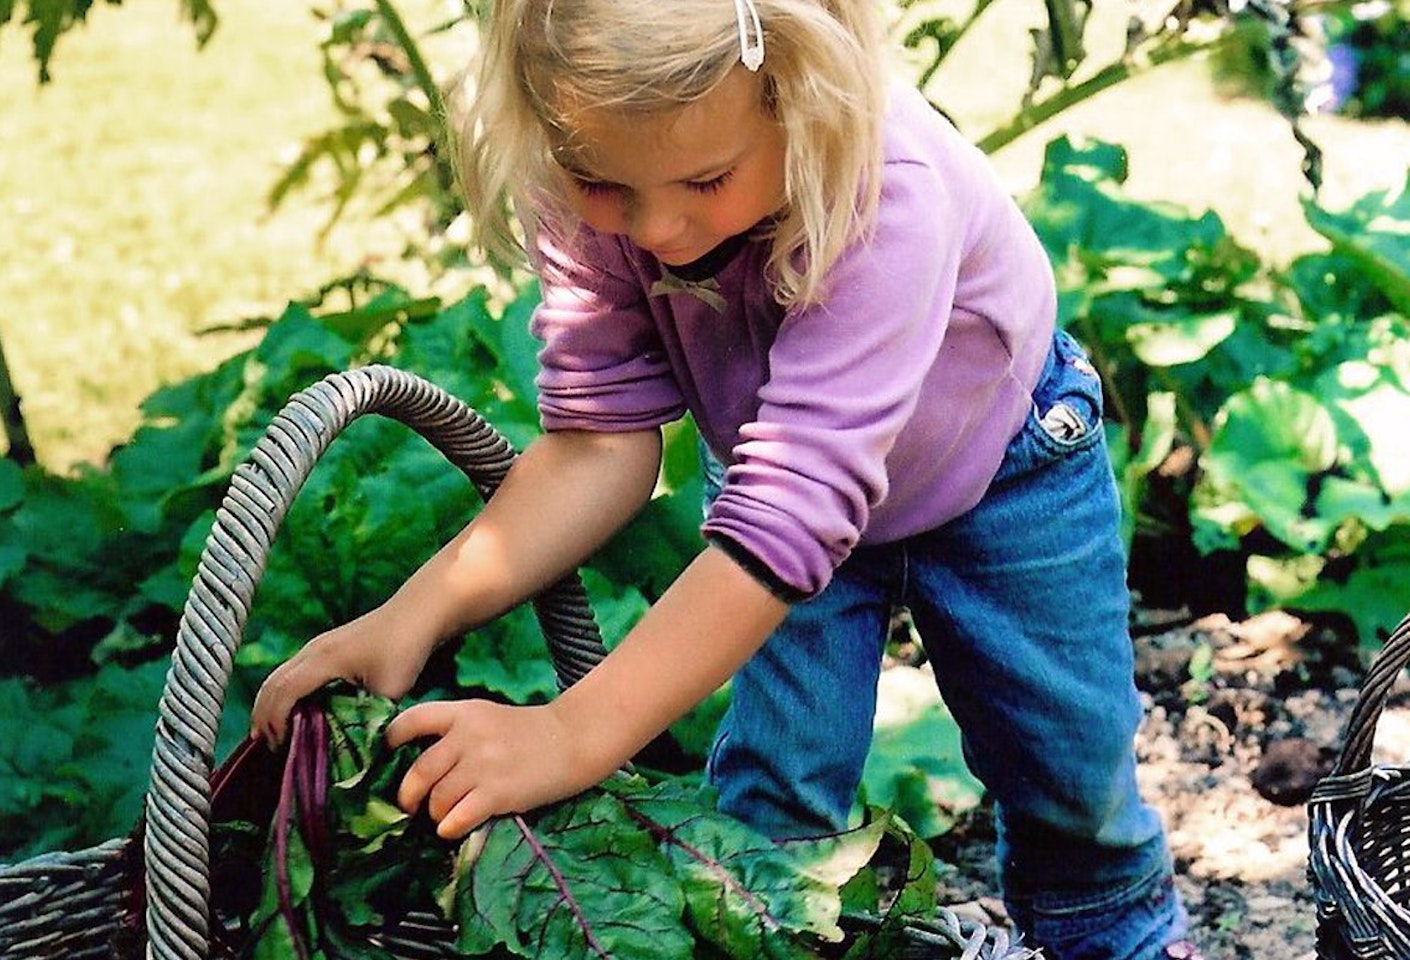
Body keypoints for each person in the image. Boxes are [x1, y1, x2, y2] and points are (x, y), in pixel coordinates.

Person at [251, 1, 1202, 957]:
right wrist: (409, 616)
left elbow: (788, 514)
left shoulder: (889, 191)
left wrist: (573, 735)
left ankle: (1117, 938)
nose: (658, 228)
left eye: (707, 179)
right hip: (776, 490)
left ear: (799, 96)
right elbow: (599, 446)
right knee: (770, 804)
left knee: (1069, 773)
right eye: (599, 184)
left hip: (1004, 468)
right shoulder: (606, 164)